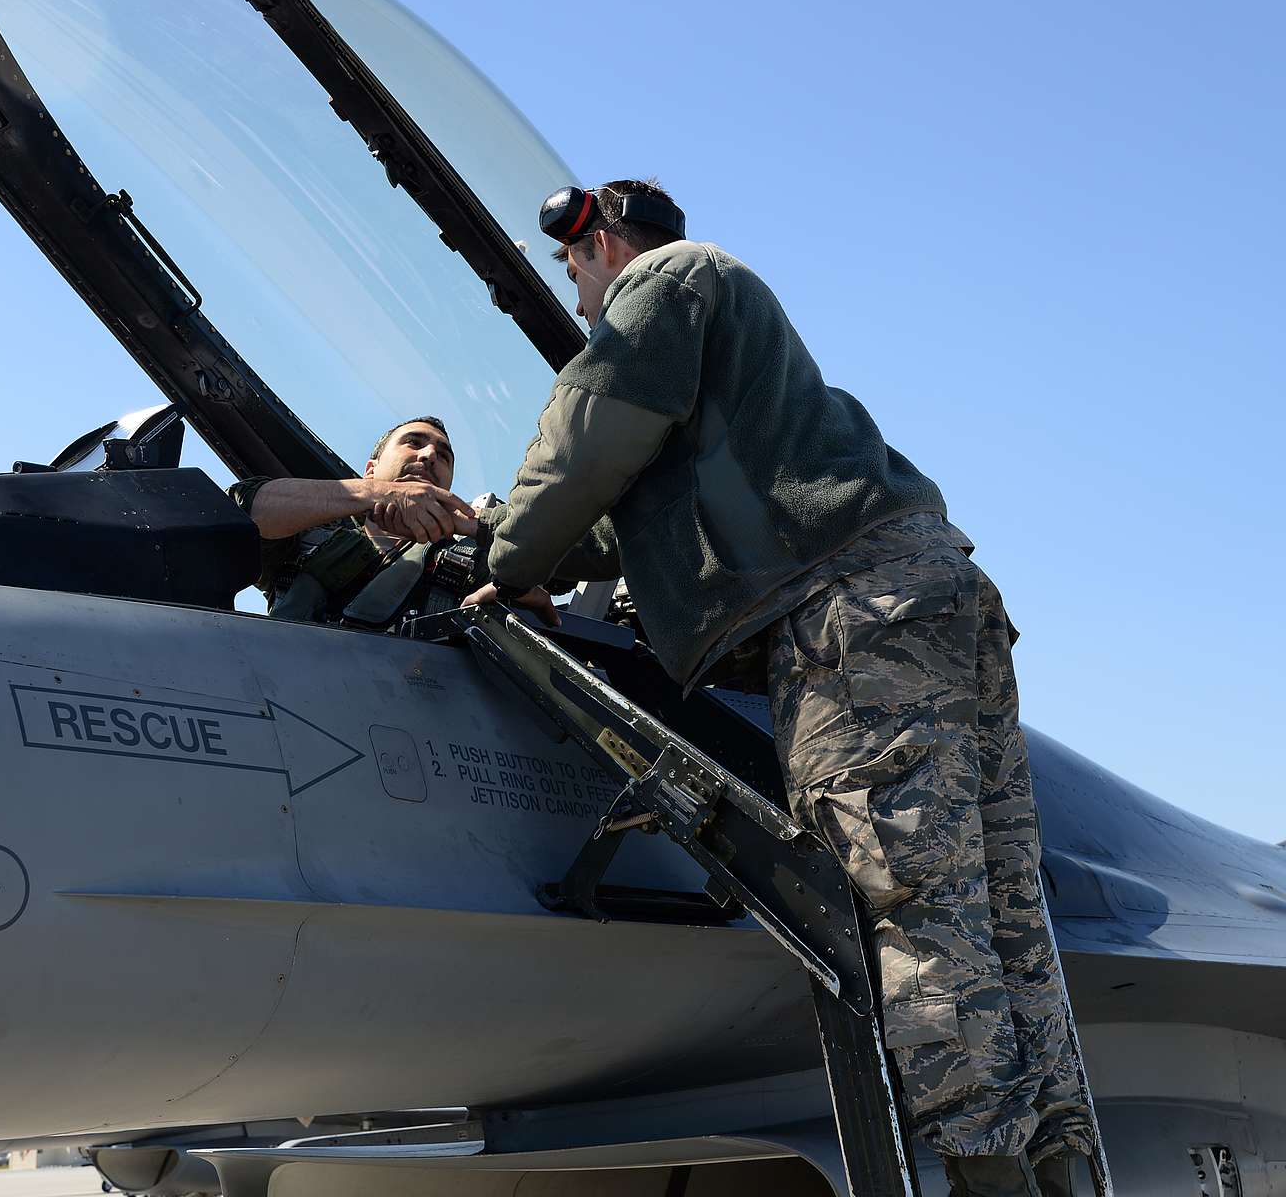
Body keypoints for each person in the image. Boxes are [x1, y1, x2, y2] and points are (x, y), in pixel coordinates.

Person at [465, 180, 1098, 1197]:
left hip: (853, 621)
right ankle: (1055, 1169)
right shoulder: (730, 342)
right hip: (923, 596)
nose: (582, 306)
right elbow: (638, 501)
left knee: (915, 912)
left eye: (577, 280)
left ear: (596, 246)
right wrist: (533, 549)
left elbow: (593, 428)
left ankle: (991, 1181)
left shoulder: (669, 276)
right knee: (999, 913)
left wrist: (504, 548)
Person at [231, 416, 569, 625]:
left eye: (443, 456)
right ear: (371, 469)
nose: (429, 455)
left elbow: (568, 553)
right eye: (414, 443)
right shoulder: (310, 534)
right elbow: (242, 508)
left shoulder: (475, 555)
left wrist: (509, 578)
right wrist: (374, 494)